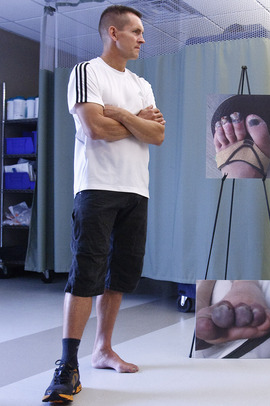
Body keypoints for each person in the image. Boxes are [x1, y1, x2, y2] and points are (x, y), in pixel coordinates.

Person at [42, 5, 165, 403]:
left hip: (136, 190)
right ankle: (67, 365)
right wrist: (134, 121)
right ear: (113, 33)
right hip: (96, 187)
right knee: (86, 275)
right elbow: (94, 128)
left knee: (119, 277)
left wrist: (119, 114)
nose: (142, 39)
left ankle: (103, 349)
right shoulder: (87, 72)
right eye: (136, 31)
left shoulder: (143, 84)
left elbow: (157, 135)